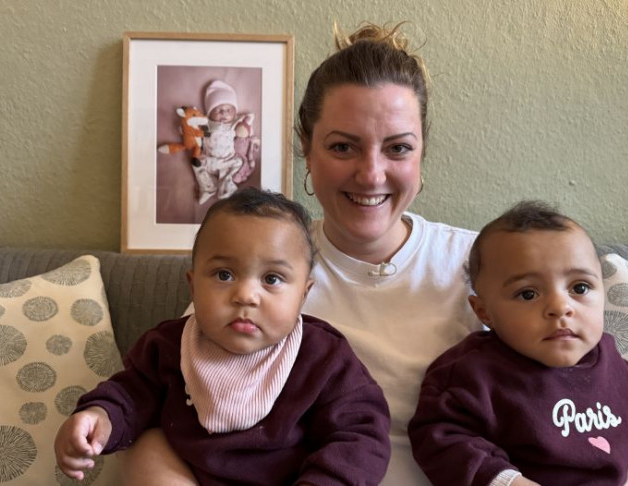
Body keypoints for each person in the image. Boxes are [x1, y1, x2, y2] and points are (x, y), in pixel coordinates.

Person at [119, 21, 482, 485]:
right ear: (307, 150)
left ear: (421, 154)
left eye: (398, 148)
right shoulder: (255, 267)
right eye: (343, 146)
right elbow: (161, 419)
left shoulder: (484, 269)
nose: (371, 175)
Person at [54, 187, 391, 484]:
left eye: (272, 279)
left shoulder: (324, 357)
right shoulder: (167, 347)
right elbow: (129, 394)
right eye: (224, 275)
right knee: (146, 450)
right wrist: (99, 417)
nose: (245, 296)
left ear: (303, 294)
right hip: (187, 477)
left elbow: (361, 433)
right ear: (193, 285)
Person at [408, 201, 628, 486]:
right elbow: (440, 438)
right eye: (528, 294)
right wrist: (507, 481)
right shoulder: (474, 373)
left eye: (580, 287)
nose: (560, 307)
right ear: (484, 312)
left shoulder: (607, 358)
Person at [192, 80, 259, 204]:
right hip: (211, 161)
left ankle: (227, 189)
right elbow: (194, 131)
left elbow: (246, 127)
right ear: (209, 113)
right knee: (196, 163)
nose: (223, 113)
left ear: (235, 114)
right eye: (218, 110)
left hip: (228, 160)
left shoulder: (234, 123)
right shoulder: (206, 124)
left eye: (228, 110)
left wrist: (246, 127)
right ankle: (208, 187)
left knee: (239, 162)